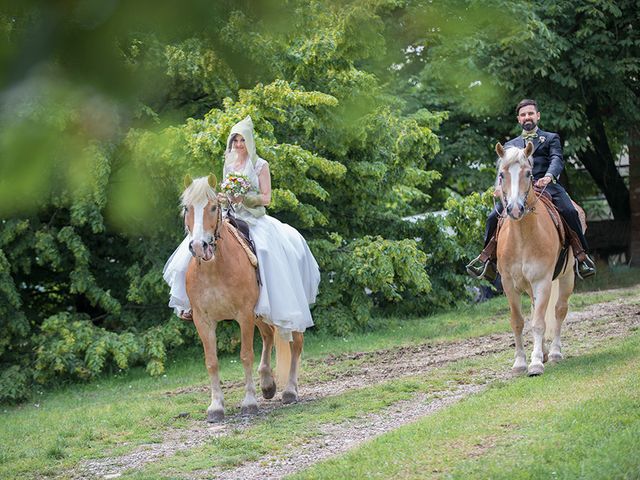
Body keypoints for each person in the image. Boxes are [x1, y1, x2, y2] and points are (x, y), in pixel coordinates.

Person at [163, 116, 321, 339]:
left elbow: (266, 198)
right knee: (186, 252)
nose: (238, 144)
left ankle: (267, 299)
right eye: (235, 140)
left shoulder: (260, 165)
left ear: (249, 142)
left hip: (254, 219)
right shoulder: (229, 163)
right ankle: (188, 304)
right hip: (228, 216)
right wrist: (221, 198)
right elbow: (225, 196)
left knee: (264, 251)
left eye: (242, 140)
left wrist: (243, 199)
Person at [466, 99, 597, 281]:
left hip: (547, 186)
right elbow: (503, 170)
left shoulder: (551, 138)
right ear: (519, 119)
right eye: (523, 114)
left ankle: (581, 256)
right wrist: (498, 186)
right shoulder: (511, 145)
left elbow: (557, 159)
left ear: (537, 116)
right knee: (491, 217)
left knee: (570, 211)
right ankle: (488, 259)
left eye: (530, 113)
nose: (527, 117)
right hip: (518, 189)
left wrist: (549, 176)